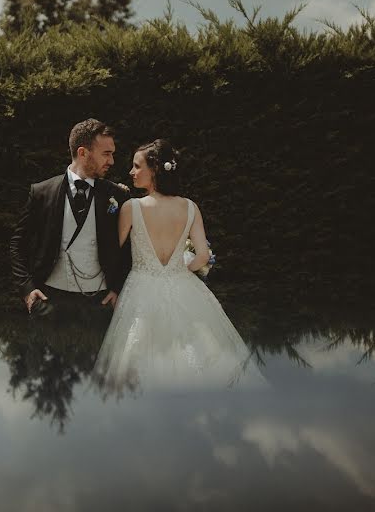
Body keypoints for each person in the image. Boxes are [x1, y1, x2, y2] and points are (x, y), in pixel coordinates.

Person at [92, 139, 257, 395]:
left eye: (137, 166)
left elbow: (112, 255)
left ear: (155, 169)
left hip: (141, 290)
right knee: (204, 354)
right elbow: (202, 256)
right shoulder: (190, 207)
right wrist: (178, 271)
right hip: (184, 286)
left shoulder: (131, 208)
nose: (131, 172)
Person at [9, 118, 132, 317]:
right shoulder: (42, 192)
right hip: (50, 300)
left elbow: (127, 248)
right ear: (83, 153)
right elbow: (18, 244)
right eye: (106, 154)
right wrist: (27, 288)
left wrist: (117, 288)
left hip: (100, 302)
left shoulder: (117, 195)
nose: (112, 161)